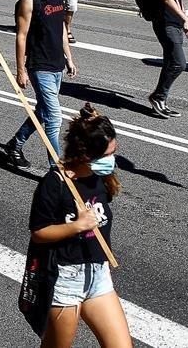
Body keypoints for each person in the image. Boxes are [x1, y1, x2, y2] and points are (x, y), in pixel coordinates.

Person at [29, 104, 131, 348]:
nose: (112, 160)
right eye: (107, 155)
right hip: (66, 279)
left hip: (98, 276)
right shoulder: (56, 183)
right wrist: (77, 226)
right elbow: (39, 233)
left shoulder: (101, 179)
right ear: (86, 155)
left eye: (113, 151)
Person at [5, 0, 77, 168]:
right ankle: (56, 169)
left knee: (43, 112)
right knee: (55, 118)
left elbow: (61, 28)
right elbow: (21, 36)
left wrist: (69, 58)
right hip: (39, 66)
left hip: (57, 65)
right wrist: (20, 70)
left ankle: (14, 145)